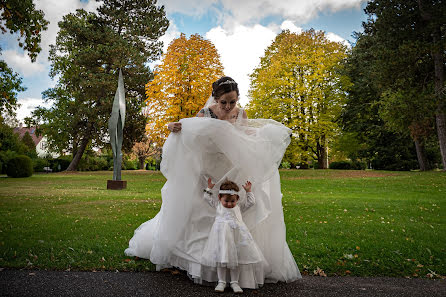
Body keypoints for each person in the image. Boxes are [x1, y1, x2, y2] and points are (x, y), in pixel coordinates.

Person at [125, 76, 301, 288]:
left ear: (237, 99)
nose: (228, 107)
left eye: (232, 102)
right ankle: (201, 263)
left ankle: (239, 261)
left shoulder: (241, 114)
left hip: (233, 168)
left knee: (236, 212)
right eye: (223, 102)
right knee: (202, 209)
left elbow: (243, 138)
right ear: (215, 99)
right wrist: (174, 127)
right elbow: (190, 133)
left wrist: (265, 137)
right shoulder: (205, 114)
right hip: (210, 169)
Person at [202, 178, 267, 293]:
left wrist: (248, 191)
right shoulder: (217, 205)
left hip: (237, 236)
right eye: (226, 201)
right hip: (221, 237)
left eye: (232, 201)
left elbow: (251, 202)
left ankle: (234, 282)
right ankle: (221, 282)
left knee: (236, 259)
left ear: (237, 199)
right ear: (219, 198)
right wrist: (209, 188)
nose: (229, 204)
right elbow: (206, 197)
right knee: (220, 258)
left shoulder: (239, 207)